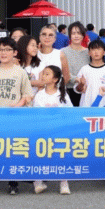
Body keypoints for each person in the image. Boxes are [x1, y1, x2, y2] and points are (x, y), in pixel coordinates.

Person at [0, 37, 33, 195]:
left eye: (8, 50)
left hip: (14, 117)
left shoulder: (20, 72)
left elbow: (27, 94)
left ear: (14, 52)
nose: (4, 53)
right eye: (1, 49)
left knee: (12, 149)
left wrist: (18, 105)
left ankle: (13, 183)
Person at [32, 65, 72, 195]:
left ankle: (64, 183)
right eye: (43, 73)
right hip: (43, 131)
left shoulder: (63, 94)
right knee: (40, 155)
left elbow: (70, 112)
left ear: (55, 79)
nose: (43, 76)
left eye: (47, 74)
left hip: (59, 131)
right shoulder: (39, 95)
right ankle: (38, 183)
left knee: (61, 156)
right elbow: (36, 113)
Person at [74, 40, 105, 107]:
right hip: (86, 107)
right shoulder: (84, 69)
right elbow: (77, 90)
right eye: (93, 49)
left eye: (99, 49)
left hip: (104, 107)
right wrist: (81, 84)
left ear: (104, 53)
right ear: (89, 53)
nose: (96, 52)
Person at [61, 21, 89, 106]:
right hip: (68, 90)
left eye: (79, 33)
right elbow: (62, 71)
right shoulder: (62, 52)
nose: (76, 36)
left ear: (83, 35)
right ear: (69, 35)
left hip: (85, 90)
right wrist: (76, 79)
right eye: (73, 33)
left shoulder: (88, 52)